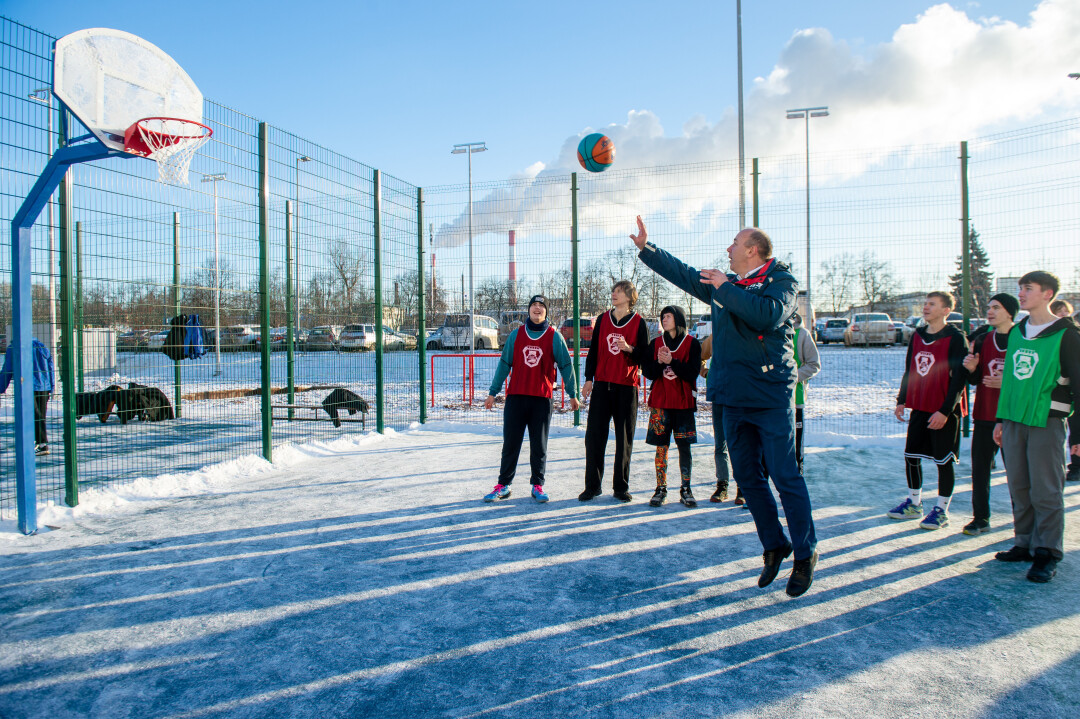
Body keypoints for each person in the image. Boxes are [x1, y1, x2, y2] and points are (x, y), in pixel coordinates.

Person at [632, 217, 818, 598]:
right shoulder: (725, 287)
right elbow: (684, 275)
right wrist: (647, 250)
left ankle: (804, 553)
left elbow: (765, 315)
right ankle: (774, 545)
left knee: (785, 476)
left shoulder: (781, 282)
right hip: (732, 396)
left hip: (769, 395)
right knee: (748, 479)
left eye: (734, 243)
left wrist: (724, 288)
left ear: (753, 249)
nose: (728, 249)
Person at [993, 272, 1080, 583]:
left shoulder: (1067, 334)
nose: (1021, 293)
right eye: (1020, 288)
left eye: (1028, 288)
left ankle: (1047, 552)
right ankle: (1025, 542)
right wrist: (1001, 420)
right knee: (1019, 485)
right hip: (1015, 419)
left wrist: (1078, 434)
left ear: (1048, 294)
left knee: (1046, 489)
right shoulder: (1018, 332)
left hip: (1047, 420)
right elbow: (1012, 381)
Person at [482, 295, 580, 502]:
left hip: (541, 399)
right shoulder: (516, 335)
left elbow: (566, 366)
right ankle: (504, 484)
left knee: (539, 445)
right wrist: (493, 392)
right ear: (528, 310)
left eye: (541, 306)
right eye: (534, 305)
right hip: (516, 397)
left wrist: (572, 394)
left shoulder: (554, 336)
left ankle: (538, 485)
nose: (537, 308)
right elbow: (504, 364)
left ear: (546, 311)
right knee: (511, 443)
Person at [890, 291, 970, 530]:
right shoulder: (918, 335)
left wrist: (946, 411)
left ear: (946, 310)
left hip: (944, 410)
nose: (926, 307)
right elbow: (910, 369)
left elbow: (960, 380)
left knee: (943, 461)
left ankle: (941, 511)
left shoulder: (956, 338)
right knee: (911, 456)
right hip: (921, 407)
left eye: (932, 304)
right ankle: (914, 505)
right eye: (925, 303)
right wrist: (902, 399)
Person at [579, 280, 650, 502]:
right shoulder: (602, 319)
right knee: (594, 437)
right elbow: (594, 352)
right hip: (602, 385)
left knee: (624, 438)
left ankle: (620, 487)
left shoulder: (639, 323)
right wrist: (589, 378)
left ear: (629, 296)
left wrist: (630, 349)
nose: (613, 294)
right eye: (613, 291)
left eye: (618, 291)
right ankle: (593, 486)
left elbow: (645, 356)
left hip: (626, 388)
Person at [960, 294, 1018, 535]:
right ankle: (980, 518)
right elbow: (977, 380)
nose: (990, 311)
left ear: (1010, 312)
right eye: (989, 307)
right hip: (984, 415)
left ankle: (1022, 523)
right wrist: (972, 370)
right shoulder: (983, 340)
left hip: (1013, 417)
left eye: (996, 307)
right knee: (980, 469)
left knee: (1016, 474)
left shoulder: (1022, 338)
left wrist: (1007, 383)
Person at [641, 305, 702, 508]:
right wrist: (660, 363)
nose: (664, 319)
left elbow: (692, 373)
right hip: (661, 403)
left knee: (684, 446)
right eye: (662, 317)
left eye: (668, 316)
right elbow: (648, 372)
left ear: (678, 318)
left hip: (683, 404)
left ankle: (686, 488)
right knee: (661, 447)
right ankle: (661, 488)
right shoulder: (655, 343)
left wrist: (672, 361)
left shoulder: (692, 344)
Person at [699, 334, 740, 504]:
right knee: (720, 444)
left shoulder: (743, 335)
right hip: (719, 398)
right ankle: (722, 485)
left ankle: (742, 487)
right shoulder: (714, 338)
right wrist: (705, 372)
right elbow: (700, 357)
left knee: (739, 444)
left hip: (740, 398)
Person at [0, 337, 55, 455]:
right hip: (44, 386)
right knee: (40, 416)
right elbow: (51, 367)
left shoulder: (14, 348)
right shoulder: (42, 347)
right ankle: (39, 443)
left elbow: (7, 369)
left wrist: (1, 387)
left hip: (27, 386)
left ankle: (41, 443)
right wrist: (52, 386)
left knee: (31, 415)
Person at [1051, 299, 1080, 482]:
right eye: (1059, 311)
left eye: (1066, 312)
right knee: (1074, 429)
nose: (1064, 315)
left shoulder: (1073, 334)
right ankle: (1075, 465)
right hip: (1067, 394)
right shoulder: (1056, 336)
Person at [791, 313, 821, 475]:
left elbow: (813, 364)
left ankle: (797, 472)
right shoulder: (771, 330)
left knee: (796, 442)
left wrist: (792, 377)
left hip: (796, 399)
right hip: (772, 401)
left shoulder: (802, 334)